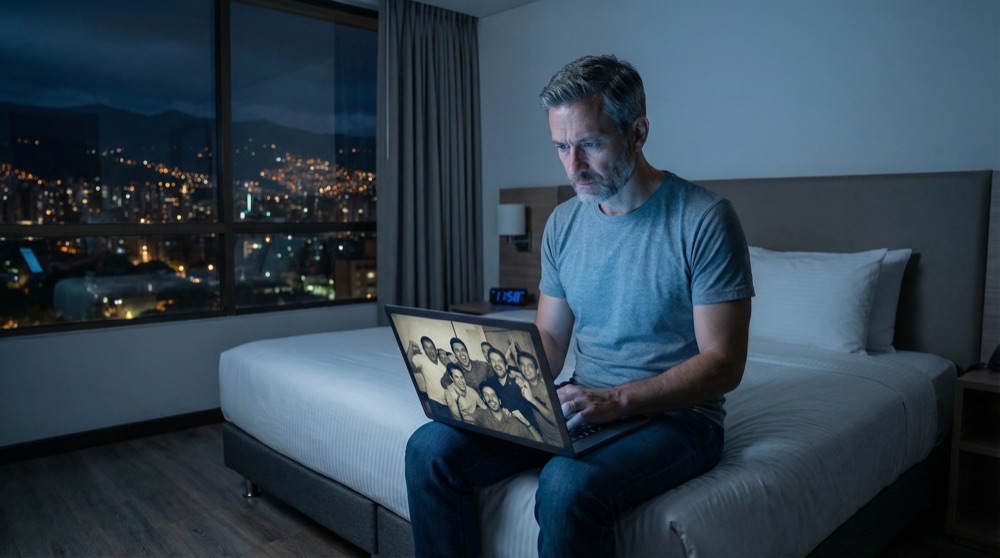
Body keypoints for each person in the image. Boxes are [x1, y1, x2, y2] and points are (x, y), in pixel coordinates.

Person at [404, 54, 754, 557]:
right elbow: (549, 339)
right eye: (562, 147)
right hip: (581, 402)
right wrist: (493, 389)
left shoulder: (704, 219)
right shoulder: (565, 223)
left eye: (589, 143)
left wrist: (617, 401)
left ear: (638, 132)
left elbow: (724, 363)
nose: (574, 166)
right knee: (429, 449)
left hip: (677, 418)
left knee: (566, 484)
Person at [514, 350, 561, 445]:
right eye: (522, 365)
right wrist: (517, 376)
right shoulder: (527, 387)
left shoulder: (545, 389)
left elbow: (557, 421)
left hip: (560, 441)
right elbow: (512, 372)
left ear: (537, 370)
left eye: (530, 366)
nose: (526, 369)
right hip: (547, 442)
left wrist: (532, 400)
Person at [474, 384, 543, 443]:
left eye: (493, 395)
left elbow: (540, 443)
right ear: (484, 399)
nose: (490, 398)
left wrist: (528, 424)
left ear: (499, 401)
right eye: (486, 395)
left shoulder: (515, 422)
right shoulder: (483, 417)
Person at [408, 336, 450, 418]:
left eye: (431, 347)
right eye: (426, 348)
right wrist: (410, 347)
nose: (430, 350)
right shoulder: (422, 359)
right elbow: (408, 365)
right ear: (424, 350)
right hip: (435, 401)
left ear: (435, 348)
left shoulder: (443, 359)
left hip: (449, 402)